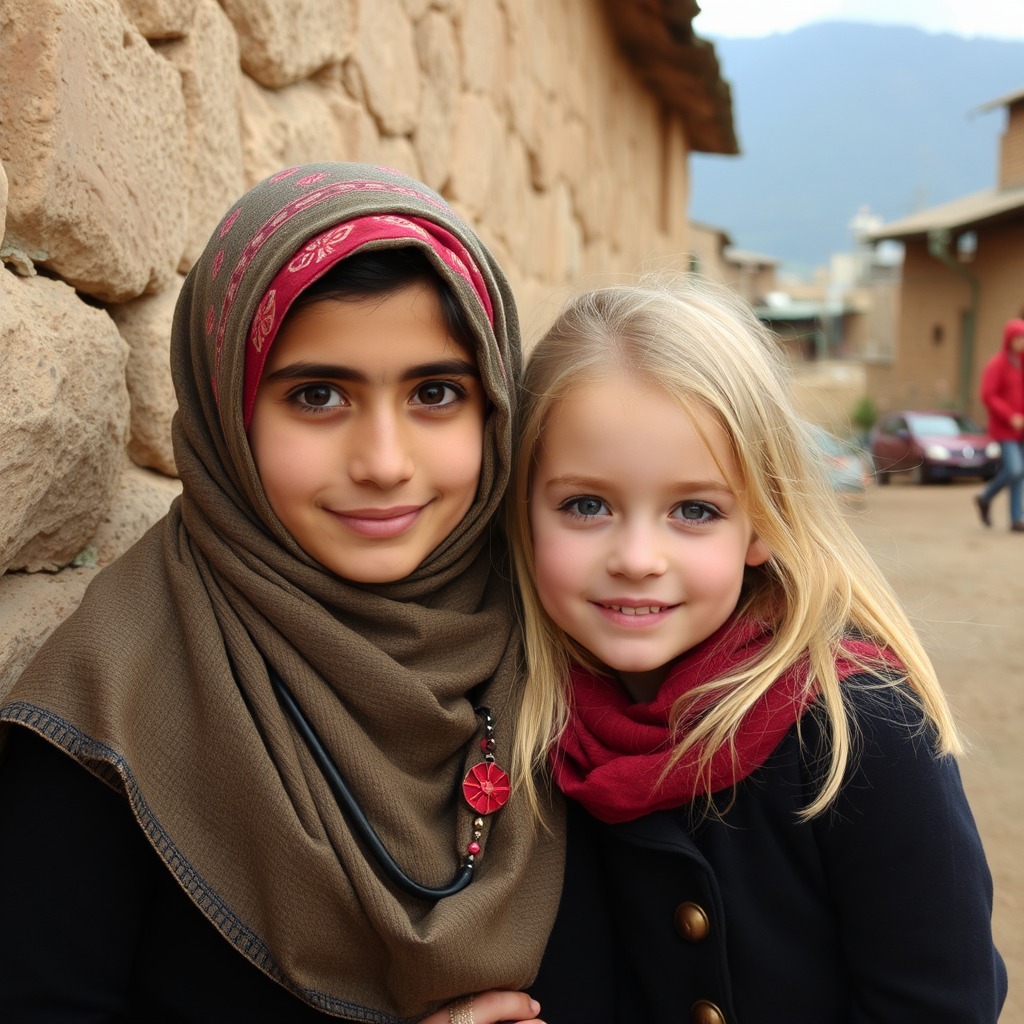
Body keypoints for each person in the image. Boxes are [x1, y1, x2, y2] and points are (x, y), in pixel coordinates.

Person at [0, 163, 561, 1024]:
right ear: (230, 410)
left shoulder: (560, 643)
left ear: (494, 409)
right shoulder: (109, 717)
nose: (383, 462)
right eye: (319, 395)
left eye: (436, 393)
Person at [511, 279, 1007, 1023]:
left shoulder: (863, 731)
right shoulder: (527, 718)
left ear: (762, 522)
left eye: (694, 510)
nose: (638, 557)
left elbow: (942, 1003)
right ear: (524, 511)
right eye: (587, 505)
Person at [975, 318, 1024, 531]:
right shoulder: (997, 364)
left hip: (1022, 428)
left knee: (1020, 473)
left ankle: (1016, 519)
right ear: (1009, 339)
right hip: (1005, 429)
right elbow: (988, 395)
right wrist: (1010, 416)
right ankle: (985, 497)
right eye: (1019, 338)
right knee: (1014, 469)